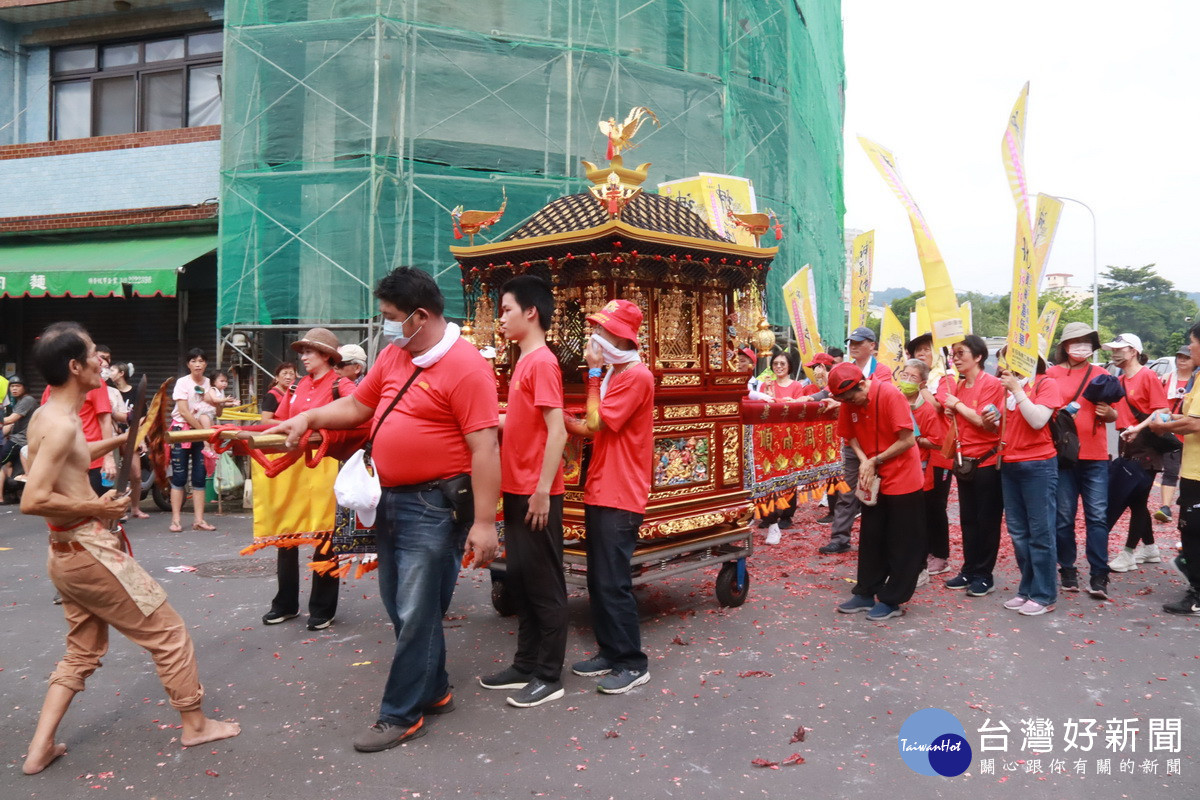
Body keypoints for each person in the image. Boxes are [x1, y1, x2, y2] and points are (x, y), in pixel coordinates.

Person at [265, 266, 500, 752]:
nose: (386, 327)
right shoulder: (396, 355)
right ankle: (433, 690)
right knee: (401, 607)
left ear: (419, 315)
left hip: (434, 506)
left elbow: (485, 449)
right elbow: (357, 409)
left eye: (391, 318)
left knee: (415, 611)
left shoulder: (467, 366)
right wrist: (307, 415)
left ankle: (400, 713)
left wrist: (483, 522)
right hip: (389, 500)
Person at [19, 322, 238, 776]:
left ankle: (40, 748)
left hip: (67, 555)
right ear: (75, 366)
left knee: (81, 652)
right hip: (88, 550)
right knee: (170, 633)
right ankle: (195, 724)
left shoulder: (48, 416)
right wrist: (96, 505)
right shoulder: (59, 424)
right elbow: (33, 499)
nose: (104, 361)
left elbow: (74, 454)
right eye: (95, 354)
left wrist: (125, 438)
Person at [478, 276, 569, 708]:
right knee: (524, 580)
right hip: (518, 489)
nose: (502, 318)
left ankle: (550, 675)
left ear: (531, 312)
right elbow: (526, 423)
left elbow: (557, 431)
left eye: (507, 309)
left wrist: (542, 491)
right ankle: (526, 663)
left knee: (546, 585)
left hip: (535, 493)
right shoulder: (524, 362)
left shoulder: (542, 363)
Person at [564, 299, 654, 694]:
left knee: (614, 580)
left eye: (604, 330)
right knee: (600, 578)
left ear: (623, 336)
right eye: (597, 329)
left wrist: (593, 374)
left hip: (622, 491)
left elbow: (597, 423)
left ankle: (632, 661)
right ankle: (610, 650)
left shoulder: (635, 376)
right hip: (603, 485)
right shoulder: (618, 373)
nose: (597, 337)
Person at [259, 328, 346, 631]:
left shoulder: (342, 385)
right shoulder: (296, 387)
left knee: (324, 536)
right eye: (303, 351)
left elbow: (357, 418)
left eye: (309, 351)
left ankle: (323, 607)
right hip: (294, 466)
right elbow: (283, 421)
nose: (303, 357)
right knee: (287, 534)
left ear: (326, 355)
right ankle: (285, 603)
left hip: (326, 464)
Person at [827, 362, 926, 621]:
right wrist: (863, 459)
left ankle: (893, 599)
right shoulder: (849, 403)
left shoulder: (890, 394)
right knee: (871, 535)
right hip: (872, 476)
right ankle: (865, 591)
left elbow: (907, 439)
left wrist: (874, 460)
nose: (851, 404)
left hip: (903, 476)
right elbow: (850, 436)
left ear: (862, 384)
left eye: (853, 398)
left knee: (902, 540)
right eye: (845, 401)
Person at [1048, 323, 1116, 597]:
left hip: (1096, 456)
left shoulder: (1102, 374)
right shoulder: (1050, 375)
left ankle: (1099, 575)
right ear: (1064, 346)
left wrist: (1108, 412)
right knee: (1064, 517)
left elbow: (1114, 416)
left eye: (1086, 342)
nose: (1080, 346)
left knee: (1097, 517)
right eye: (1075, 341)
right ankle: (1067, 569)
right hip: (1064, 456)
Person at [996, 348, 1062, 616]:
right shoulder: (1008, 387)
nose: (1008, 362)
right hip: (1009, 463)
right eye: (1005, 356)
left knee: (1041, 532)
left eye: (1014, 355)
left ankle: (1045, 594)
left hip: (1039, 464)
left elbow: (1037, 420)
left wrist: (1017, 390)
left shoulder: (1046, 383)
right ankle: (1027, 589)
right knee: (1018, 533)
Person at [819, 326, 894, 555]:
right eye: (851, 342)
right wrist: (804, 397)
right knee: (848, 490)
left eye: (859, 342)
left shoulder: (882, 371)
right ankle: (840, 537)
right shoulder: (844, 368)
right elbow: (827, 392)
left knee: (882, 492)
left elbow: (871, 398)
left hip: (880, 442)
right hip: (854, 441)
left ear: (872, 345)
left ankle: (879, 539)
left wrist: (841, 402)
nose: (853, 346)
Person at [942, 334, 1005, 597]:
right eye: (954, 354)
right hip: (963, 460)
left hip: (987, 460)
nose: (956, 359)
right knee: (968, 519)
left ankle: (984, 574)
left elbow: (984, 422)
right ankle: (968, 569)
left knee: (987, 520)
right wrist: (951, 409)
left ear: (978, 357)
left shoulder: (992, 384)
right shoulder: (957, 385)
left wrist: (955, 405)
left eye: (961, 354)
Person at [1104, 333, 1171, 578]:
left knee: (1133, 498)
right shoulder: (1119, 380)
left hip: (1146, 446)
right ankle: (1151, 549)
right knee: (1137, 501)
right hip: (1127, 443)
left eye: (1119, 349)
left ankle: (1129, 553)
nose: (1114, 353)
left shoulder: (1147, 375)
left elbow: (1162, 410)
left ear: (1133, 351)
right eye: (1112, 349)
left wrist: (1138, 428)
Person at [1147, 322, 1200, 614]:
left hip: (1198, 473)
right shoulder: (1197, 376)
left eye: (1191, 343)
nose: (1189, 349)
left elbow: (1194, 422)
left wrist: (1161, 426)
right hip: (1192, 469)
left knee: (1193, 531)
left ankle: (1198, 595)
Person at [897, 359, 951, 579]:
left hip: (937, 463)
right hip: (914, 464)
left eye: (913, 377)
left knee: (934, 508)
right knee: (919, 511)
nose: (907, 380)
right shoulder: (897, 400)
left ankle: (939, 555)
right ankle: (923, 553)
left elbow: (939, 442)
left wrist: (915, 439)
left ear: (923, 383)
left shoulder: (928, 407)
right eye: (905, 375)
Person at [167, 349, 215, 533]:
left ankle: (199, 520)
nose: (198, 364)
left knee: (199, 477)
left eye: (201, 361)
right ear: (188, 364)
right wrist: (203, 431)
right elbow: (184, 411)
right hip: (182, 430)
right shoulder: (182, 382)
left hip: (200, 432)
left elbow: (213, 408)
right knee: (179, 477)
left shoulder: (208, 383)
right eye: (194, 360)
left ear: (206, 364)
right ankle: (176, 520)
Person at [1157, 344, 1195, 523]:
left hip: (1192, 435)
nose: (1182, 360)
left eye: (1186, 357)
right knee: (1171, 472)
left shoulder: (1196, 381)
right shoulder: (1166, 379)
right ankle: (1165, 507)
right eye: (1179, 356)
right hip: (1172, 434)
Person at [107, 362, 150, 519]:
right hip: (113, 435)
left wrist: (138, 436)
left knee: (136, 475)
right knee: (115, 474)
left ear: (121, 373)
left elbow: (143, 416)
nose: (108, 372)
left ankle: (135, 508)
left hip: (131, 435)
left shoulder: (135, 393)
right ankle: (117, 508)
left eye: (112, 370)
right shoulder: (109, 392)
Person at [2, 375, 38, 495]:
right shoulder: (20, 401)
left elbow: (11, 419)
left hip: (18, 441)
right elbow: (11, 425)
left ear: (25, 387)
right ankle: (11, 493)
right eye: (12, 386)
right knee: (10, 466)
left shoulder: (27, 400)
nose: (14, 389)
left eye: (17, 386)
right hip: (18, 440)